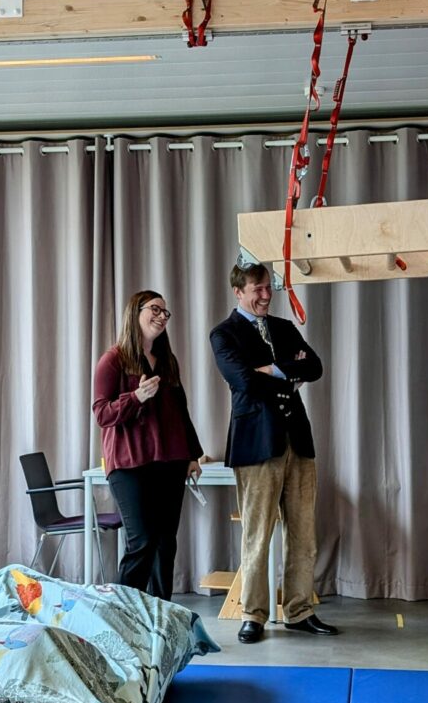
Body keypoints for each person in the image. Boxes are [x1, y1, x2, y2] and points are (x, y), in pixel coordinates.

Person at [210, 263, 338, 643]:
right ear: (238, 291)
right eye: (258, 289)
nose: (266, 295)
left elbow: (314, 367)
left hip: (297, 441)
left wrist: (272, 369)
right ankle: (253, 615)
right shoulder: (224, 334)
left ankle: (299, 611)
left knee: (303, 534)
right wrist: (288, 375)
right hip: (256, 444)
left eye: (268, 288)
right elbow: (243, 380)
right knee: (257, 535)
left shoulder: (283, 328)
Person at [93, 290, 203, 601]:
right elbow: (102, 414)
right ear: (135, 312)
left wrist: (192, 455)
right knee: (141, 540)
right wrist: (136, 397)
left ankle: (159, 611)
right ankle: (123, 611)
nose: (162, 316)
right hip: (129, 464)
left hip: (171, 462)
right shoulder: (113, 360)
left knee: (165, 542)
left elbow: (181, 411)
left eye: (165, 312)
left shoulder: (167, 361)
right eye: (155, 309)